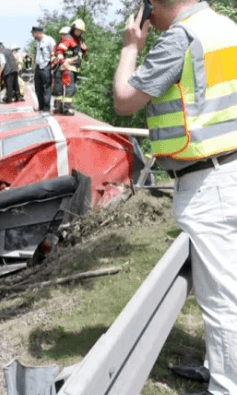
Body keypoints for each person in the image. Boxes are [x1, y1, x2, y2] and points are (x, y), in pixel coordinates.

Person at [113, 0, 237, 394]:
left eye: (147, 9)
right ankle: (217, 365)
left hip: (209, 182)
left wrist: (131, 47)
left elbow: (124, 100)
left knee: (222, 301)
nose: (148, 19)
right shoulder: (225, 28)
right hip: (230, 167)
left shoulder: (180, 39)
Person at [53, 20, 87, 115]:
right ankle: (65, 109)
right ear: (73, 29)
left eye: (80, 31)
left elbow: (81, 52)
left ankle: (60, 108)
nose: (78, 32)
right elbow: (59, 52)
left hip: (74, 69)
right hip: (68, 68)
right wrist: (63, 62)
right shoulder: (69, 39)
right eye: (77, 30)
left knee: (66, 88)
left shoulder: (78, 41)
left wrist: (83, 49)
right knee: (69, 88)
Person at [31, 26, 55, 112]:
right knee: (38, 88)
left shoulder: (49, 40)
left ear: (38, 33)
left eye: (34, 34)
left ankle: (46, 107)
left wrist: (52, 65)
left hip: (46, 67)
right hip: (38, 67)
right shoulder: (38, 42)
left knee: (46, 88)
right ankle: (40, 106)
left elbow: (54, 53)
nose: (33, 36)